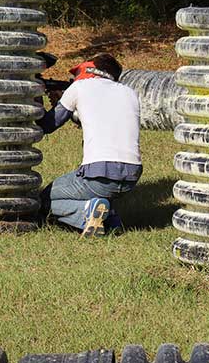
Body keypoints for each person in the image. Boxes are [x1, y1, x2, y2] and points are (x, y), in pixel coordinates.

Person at [37, 53, 142, 237]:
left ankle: (86, 213)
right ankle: (112, 220)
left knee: (44, 200)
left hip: (98, 175)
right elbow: (102, 119)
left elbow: (47, 125)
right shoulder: (129, 92)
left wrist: (39, 96)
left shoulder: (79, 87)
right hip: (131, 176)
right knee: (105, 189)